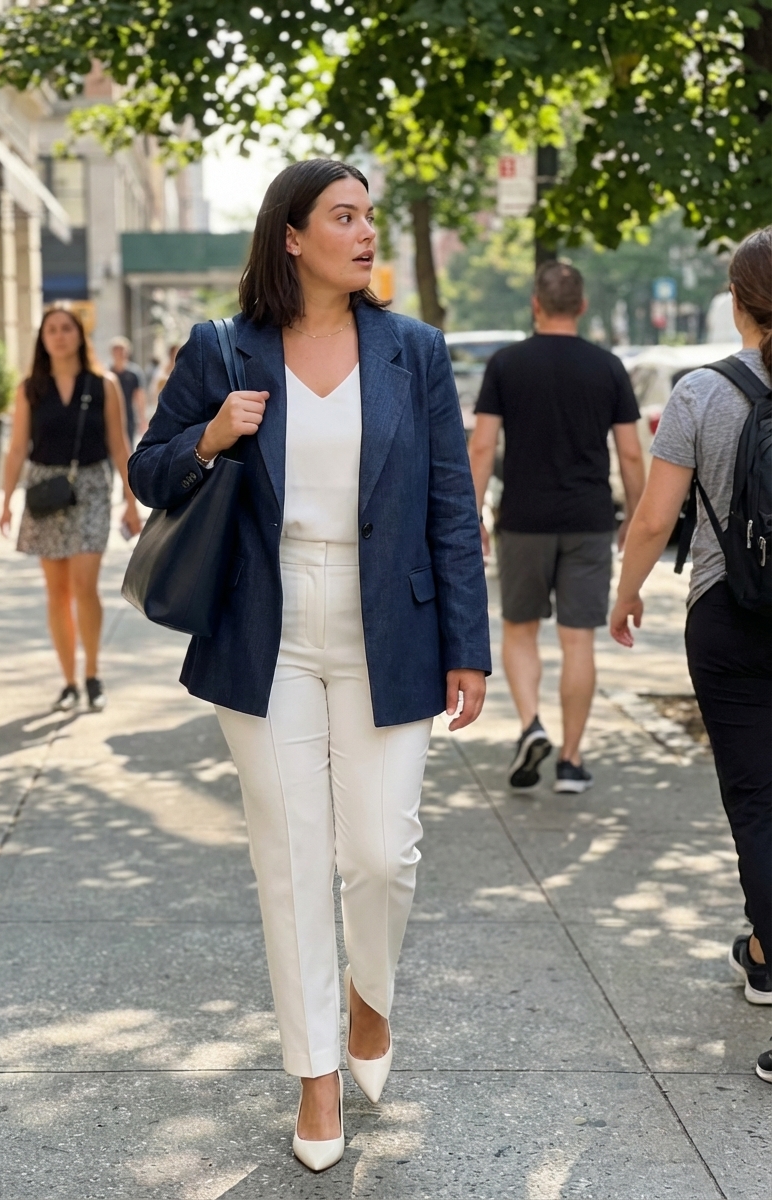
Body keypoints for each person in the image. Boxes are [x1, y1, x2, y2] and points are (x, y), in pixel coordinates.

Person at [129, 159, 491, 1170]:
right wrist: (209, 436)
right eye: (343, 216)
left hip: (391, 627)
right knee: (289, 860)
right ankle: (315, 1079)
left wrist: (467, 646)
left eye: (369, 216)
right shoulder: (222, 347)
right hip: (265, 627)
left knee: (382, 854)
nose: (365, 232)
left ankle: (370, 1000)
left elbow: (450, 506)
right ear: (290, 236)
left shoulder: (414, 351)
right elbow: (149, 470)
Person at [610, 226, 772, 1085]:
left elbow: (652, 517)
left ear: (737, 303)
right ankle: (761, 953)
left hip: (730, 615)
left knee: (757, 803)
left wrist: (626, 592)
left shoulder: (701, 393)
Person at [469, 262, 645, 793]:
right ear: (583, 306)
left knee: (519, 629)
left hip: (523, 520)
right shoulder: (608, 367)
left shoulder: (506, 364)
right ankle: (570, 761)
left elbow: (482, 445)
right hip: (588, 520)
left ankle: (531, 725)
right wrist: (637, 519)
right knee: (578, 641)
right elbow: (630, 454)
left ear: (536, 305)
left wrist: (472, 514)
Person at [0, 306, 142, 713]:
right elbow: (16, 449)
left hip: (92, 487)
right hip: (45, 490)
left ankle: (92, 674)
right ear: (42, 339)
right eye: (52, 330)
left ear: (80, 335)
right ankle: (68, 682)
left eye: (66, 328)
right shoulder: (30, 388)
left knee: (84, 584)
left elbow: (119, 446)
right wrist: (6, 501)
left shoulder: (104, 384)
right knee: (57, 591)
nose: (59, 336)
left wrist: (131, 502)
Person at [109, 336, 147, 447]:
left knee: (127, 446)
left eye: (122, 350)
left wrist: (142, 419)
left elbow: (139, 396)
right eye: (116, 350)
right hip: (109, 417)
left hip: (128, 416)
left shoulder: (134, 373)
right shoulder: (107, 373)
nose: (119, 353)